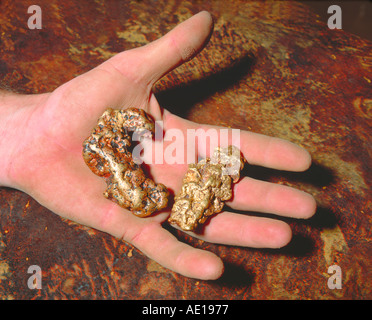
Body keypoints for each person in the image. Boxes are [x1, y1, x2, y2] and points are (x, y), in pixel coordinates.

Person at [0, 11, 316, 280]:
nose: (154, 190)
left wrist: (18, 127)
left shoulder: (120, 153)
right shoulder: (114, 155)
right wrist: (23, 133)